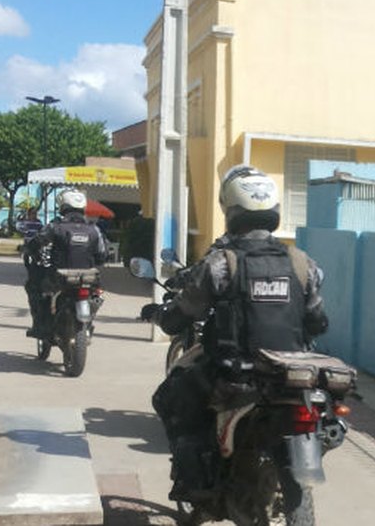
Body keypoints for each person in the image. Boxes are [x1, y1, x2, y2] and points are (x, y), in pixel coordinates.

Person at [140, 165, 329, 502]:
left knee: (169, 397)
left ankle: (193, 483)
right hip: (290, 375)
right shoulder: (303, 263)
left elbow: (182, 314)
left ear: (230, 209)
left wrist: (164, 317)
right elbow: (318, 321)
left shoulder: (220, 263)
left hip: (234, 372)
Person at [24, 188, 107, 339]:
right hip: (88, 278)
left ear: (63, 207)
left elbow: (36, 243)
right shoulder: (95, 230)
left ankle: (39, 326)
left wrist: (30, 250)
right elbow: (102, 255)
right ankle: (88, 324)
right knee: (96, 297)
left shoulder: (55, 227)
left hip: (58, 277)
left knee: (34, 288)